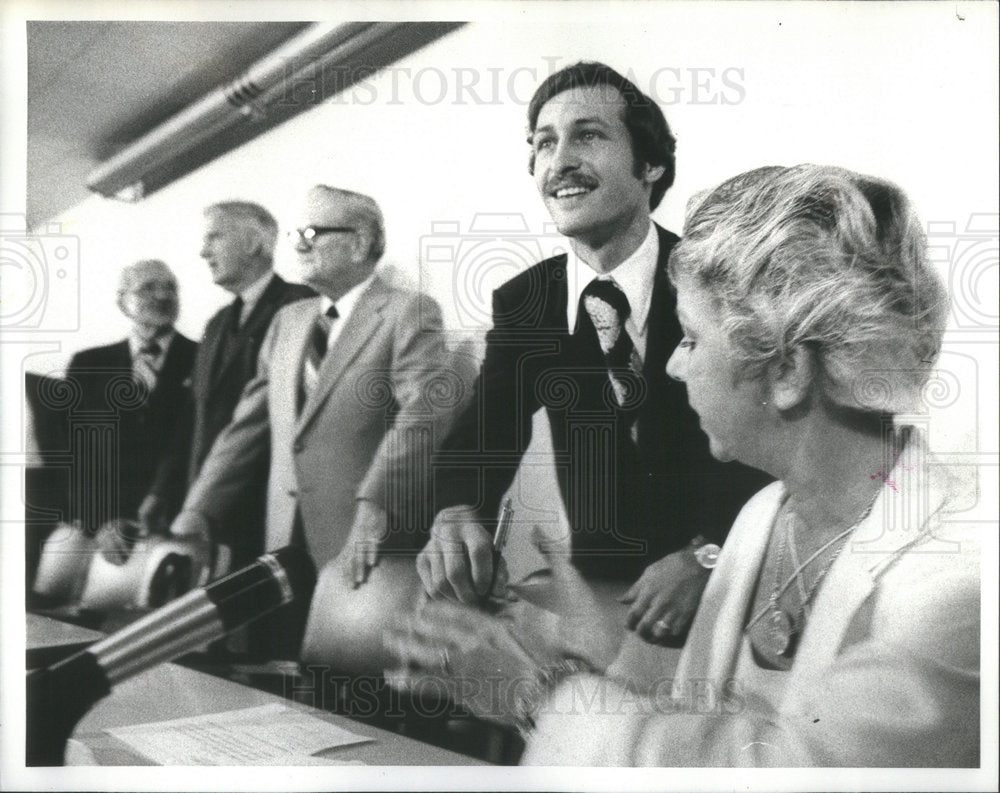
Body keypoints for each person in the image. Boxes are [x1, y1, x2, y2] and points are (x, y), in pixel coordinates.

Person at [386, 165, 980, 767]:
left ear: (787, 371)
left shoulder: (962, 583)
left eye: (692, 339)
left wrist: (534, 693)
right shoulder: (763, 517)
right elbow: (701, 728)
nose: (672, 366)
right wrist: (550, 653)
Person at [420, 62, 768, 644]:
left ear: (651, 164)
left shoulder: (717, 282)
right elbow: (488, 427)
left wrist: (708, 553)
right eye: (544, 144)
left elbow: (771, 438)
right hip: (600, 605)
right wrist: (455, 511)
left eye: (588, 135)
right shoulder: (527, 301)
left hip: (729, 589)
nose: (559, 162)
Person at [169, 185, 457, 655]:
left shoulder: (409, 312)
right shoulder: (289, 320)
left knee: (353, 696)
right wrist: (199, 508)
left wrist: (376, 505)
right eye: (294, 233)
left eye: (312, 232)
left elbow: (423, 414)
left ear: (361, 241)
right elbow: (247, 427)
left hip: (365, 545)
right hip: (283, 542)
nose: (298, 244)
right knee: (281, 681)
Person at [139, 201, 313, 569]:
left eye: (214, 237)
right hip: (207, 515)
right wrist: (161, 490)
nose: (204, 251)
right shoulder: (216, 324)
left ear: (252, 243)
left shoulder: (300, 306)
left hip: (269, 512)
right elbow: (192, 416)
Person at [65, 260, 197, 532]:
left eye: (171, 288)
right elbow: (73, 452)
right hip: (102, 524)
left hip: (177, 517)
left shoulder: (204, 357)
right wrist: (99, 521)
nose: (163, 296)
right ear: (122, 302)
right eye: (147, 288)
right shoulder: (87, 364)